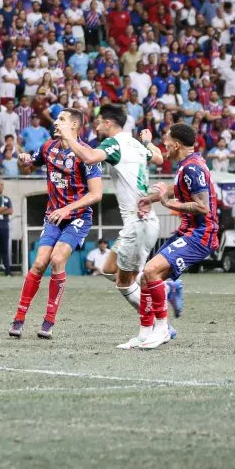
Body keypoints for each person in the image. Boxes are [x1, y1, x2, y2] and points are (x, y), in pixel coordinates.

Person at [61, 104, 167, 322]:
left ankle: (157, 321)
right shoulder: (136, 144)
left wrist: (68, 135)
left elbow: (89, 157)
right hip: (140, 223)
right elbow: (159, 159)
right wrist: (147, 140)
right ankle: (160, 306)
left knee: (125, 283)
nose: (97, 124)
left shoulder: (113, 144)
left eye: (99, 121)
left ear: (108, 123)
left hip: (138, 223)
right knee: (109, 269)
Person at [9, 110, 103, 340]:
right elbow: (28, 167)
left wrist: (67, 209)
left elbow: (97, 194)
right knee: (40, 262)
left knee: (57, 259)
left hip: (78, 217)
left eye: (61, 119)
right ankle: (19, 319)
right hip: (53, 215)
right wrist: (22, 160)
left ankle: (49, 320)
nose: (55, 121)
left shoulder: (86, 154)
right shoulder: (48, 147)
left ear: (74, 125)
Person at [132, 123, 220, 350]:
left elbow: (203, 208)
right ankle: (145, 333)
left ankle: (162, 330)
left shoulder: (193, 168)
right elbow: (177, 188)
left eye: (167, 140)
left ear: (177, 144)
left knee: (151, 271)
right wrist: (150, 199)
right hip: (188, 231)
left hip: (201, 234)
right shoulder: (187, 166)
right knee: (145, 278)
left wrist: (166, 203)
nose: (165, 144)